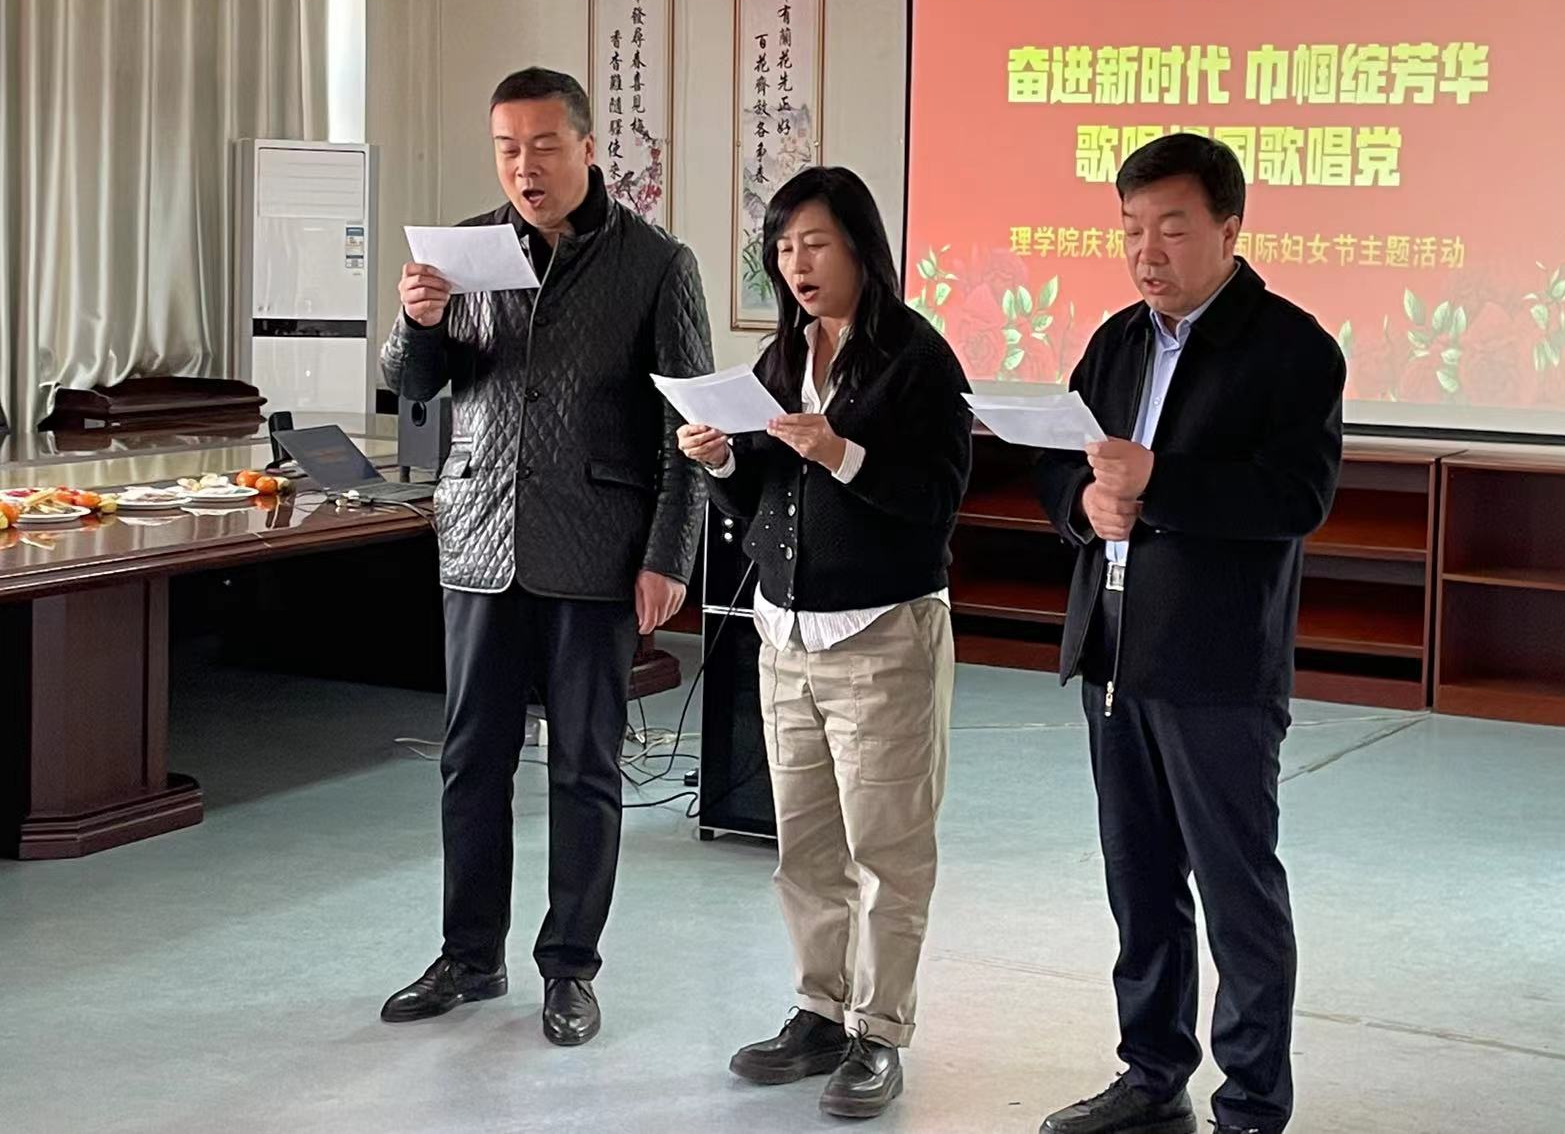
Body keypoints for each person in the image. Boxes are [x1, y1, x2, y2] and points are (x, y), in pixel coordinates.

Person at [378, 66, 712, 1046]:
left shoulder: (656, 263)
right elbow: (414, 385)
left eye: (543, 146)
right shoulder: (464, 253)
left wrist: (670, 555)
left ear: (588, 148)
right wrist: (416, 320)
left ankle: (569, 967)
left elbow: (685, 426)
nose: (524, 167)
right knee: (470, 760)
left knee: (585, 767)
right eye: (507, 149)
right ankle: (468, 955)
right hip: (479, 538)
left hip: (595, 547)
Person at [1034, 134, 1345, 1134]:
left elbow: (1296, 496)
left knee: (1235, 888)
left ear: (1229, 227)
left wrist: (1160, 482)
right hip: (1114, 648)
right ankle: (1150, 1071)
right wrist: (1084, 505)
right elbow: (1061, 464)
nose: (1146, 250)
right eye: (1130, 228)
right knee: (1139, 881)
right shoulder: (1117, 341)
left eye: (1170, 226)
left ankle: (1250, 1102)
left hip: (1216, 664)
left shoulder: (1291, 349)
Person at [677, 166, 971, 1120]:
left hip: (882, 633)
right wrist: (721, 461)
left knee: (889, 852)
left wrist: (841, 453)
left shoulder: (918, 360)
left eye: (815, 244)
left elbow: (938, 500)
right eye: (783, 248)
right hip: (786, 634)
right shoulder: (779, 358)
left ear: (860, 249)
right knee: (804, 846)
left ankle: (878, 1033)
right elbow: (764, 493)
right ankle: (818, 1012)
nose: (796, 265)